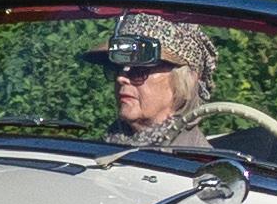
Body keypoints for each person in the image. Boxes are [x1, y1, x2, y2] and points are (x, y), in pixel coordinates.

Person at [83, 11, 217, 155]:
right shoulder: (103, 147)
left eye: (139, 70)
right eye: (116, 68)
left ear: (186, 81)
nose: (121, 78)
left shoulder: (194, 163)